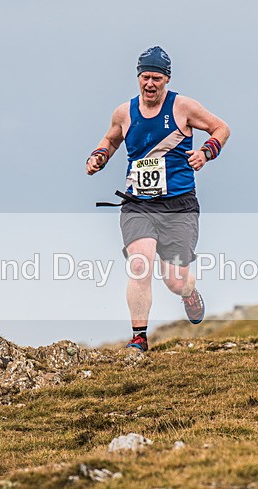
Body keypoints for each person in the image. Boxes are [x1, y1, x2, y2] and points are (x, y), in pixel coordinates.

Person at [86, 46, 230, 352]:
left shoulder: (183, 107)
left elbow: (221, 128)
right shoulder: (124, 112)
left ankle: (189, 293)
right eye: (145, 77)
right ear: (138, 77)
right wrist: (99, 156)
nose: (150, 84)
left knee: (175, 281)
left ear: (167, 79)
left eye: (156, 78)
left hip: (179, 205)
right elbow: (111, 140)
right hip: (138, 203)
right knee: (141, 263)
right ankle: (139, 337)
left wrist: (206, 152)